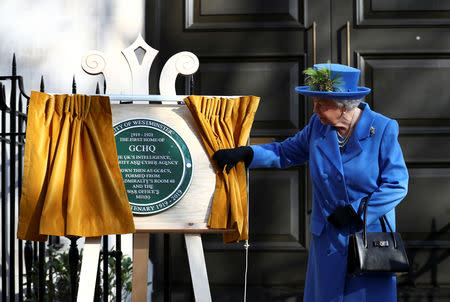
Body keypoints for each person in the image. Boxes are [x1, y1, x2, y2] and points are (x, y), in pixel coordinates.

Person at [213, 63, 408, 302]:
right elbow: (286, 152)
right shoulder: (319, 126)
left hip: (368, 238)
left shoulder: (382, 129)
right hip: (328, 237)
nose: (314, 109)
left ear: (343, 106)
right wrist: (247, 154)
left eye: (321, 103)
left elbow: (396, 184)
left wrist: (358, 212)